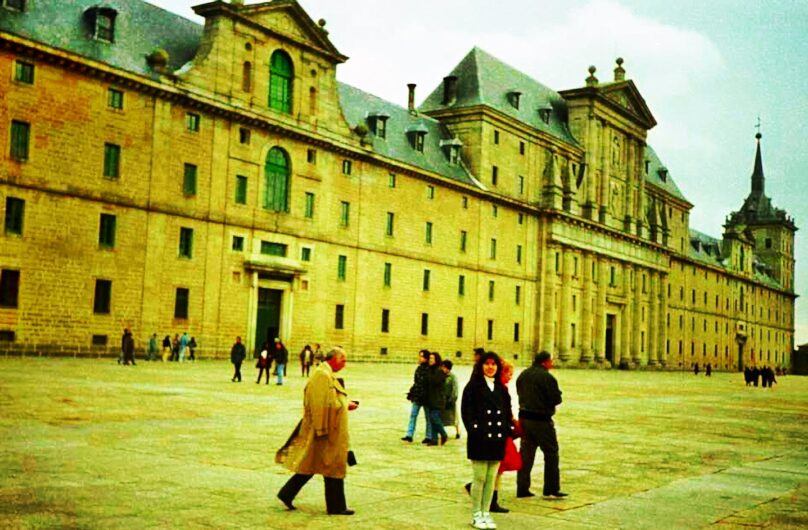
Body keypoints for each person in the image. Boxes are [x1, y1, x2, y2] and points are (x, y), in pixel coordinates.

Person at [276, 346, 358, 515]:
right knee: (331, 467)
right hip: (326, 430)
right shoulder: (322, 375)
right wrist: (323, 429)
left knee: (312, 465)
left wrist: (345, 404)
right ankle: (336, 507)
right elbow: (319, 405)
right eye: (343, 360)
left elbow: (330, 400)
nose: (345, 364)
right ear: (334, 359)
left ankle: (287, 493)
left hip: (327, 429)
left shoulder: (326, 374)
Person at [461, 351, 512, 530]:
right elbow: (466, 412)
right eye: (487, 364)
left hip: (497, 439)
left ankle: (486, 512)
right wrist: (475, 430)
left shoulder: (501, 388)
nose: (490, 367)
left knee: (491, 478)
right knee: (480, 477)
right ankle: (476, 514)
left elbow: (507, 411)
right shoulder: (473, 387)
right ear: (481, 365)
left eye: (494, 364)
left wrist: (506, 430)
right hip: (480, 439)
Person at [516, 351, 567, 500]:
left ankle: (522, 488)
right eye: (550, 361)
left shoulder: (523, 375)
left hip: (525, 419)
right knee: (551, 453)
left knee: (526, 455)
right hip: (542, 421)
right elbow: (556, 399)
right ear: (545, 362)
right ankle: (551, 488)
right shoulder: (547, 377)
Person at [401, 350, 432, 443]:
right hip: (417, 396)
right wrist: (411, 392)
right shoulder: (418, 369)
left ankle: (429, 436)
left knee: (428, 418)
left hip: (427, 398)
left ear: (426, 358)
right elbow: (416, 382)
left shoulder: (430, 370)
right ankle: (409, 435)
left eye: (421, 356)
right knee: (413, 415)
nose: (419, 358)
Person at [425, 351, 449, 446]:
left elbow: (434, 382)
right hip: (430, 398)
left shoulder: (439, 371)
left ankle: (443, 434)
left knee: (435, 418)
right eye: (429, 358)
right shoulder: (430, 370)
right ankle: (434, 439)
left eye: (432, 359)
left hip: (437, 399)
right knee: (432, 419)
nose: (430, 360)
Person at [440, 360, 460, 439]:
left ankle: (458, 432)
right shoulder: (441, 376)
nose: (442, 368)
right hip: (442, 400)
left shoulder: (453, 377)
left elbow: (455, 390)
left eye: (444, 367)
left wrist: (452, 400)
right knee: (441, 418)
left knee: (453, 417)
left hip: (450, 401)